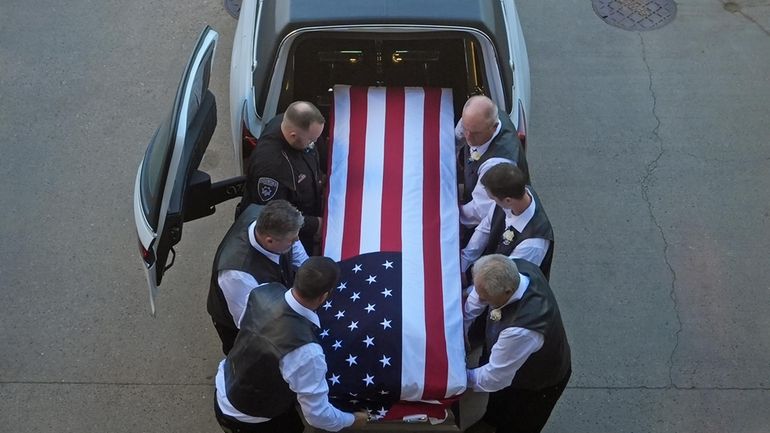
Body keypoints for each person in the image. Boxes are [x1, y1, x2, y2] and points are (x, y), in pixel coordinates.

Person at [213, 257, 369, 433]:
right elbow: (317, 415)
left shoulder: (263, 291)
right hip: (253, 419)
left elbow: (247, 329)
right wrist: (351, 420)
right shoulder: (306, 352)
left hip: (225, 388)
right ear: (324, 295)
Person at [464, 255, 571, 433]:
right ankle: (490, 422)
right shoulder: (512, 268)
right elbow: (477, 297)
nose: (481, 301)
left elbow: (494, 377)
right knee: (498, 405)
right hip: (511, 363)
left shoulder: (521, 330)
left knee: (517, 425)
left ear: (507, 292)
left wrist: (457, 377)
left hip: (536, 382)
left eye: (487, 299)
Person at [207, 200, 308, 355]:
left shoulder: (270, 219)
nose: (296, 241)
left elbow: (298, 254)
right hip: (243, 328)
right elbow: (251, 324)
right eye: (292, 240)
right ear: (269, 241)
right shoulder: (237, 275)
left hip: (274, 300)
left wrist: (309, 275)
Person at [238, 101, 326, 254]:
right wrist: (315, 225)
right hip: (292, 234)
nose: (314, 143)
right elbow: (276, 216)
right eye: (311, 140)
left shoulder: (290, 123)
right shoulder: (271, 168)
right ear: (293, 136)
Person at [461, 163, 554, 280]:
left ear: (508, 200)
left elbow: (506, 279)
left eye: (492, 198)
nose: (491, 201)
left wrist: (468, 292)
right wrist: (464, 264)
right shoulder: (515, 196)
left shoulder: (532, 244)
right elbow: (484, 229)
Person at [457, 95, 530, 231]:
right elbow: (458, 137)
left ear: (494, 127)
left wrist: (449, 213)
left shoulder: (497, 165)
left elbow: (478, 212)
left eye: (475, 133)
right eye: (465, 128)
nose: (468, 136)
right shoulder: (477, 120)